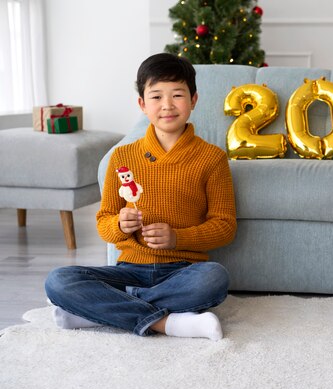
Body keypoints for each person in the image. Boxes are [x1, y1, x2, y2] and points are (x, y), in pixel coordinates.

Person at [45, 53, 237, 340]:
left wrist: (177, 238)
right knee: (58, 280)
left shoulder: (212, 159)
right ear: (142, 104)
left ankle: (100, 312)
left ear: (194, 100)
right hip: (129, 271)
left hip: (183, 271)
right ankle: (168, 323)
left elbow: (224, 226)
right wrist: (120, 225)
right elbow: (103, 223)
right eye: (156, 96)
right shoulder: (122, 157)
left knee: (215, 278)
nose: (167, 105)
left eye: (177, 95)